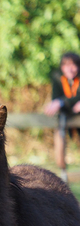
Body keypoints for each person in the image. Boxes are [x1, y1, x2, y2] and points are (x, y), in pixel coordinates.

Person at [44, 52, 80, 182]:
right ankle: (62, 170)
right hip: (65, 116)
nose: (70, 69)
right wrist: (61, 103)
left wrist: (62, 102)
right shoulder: (57, 77)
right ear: (62, 67)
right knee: (59, 134)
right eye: (66, 65)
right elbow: (56, 99)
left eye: (74, 65)